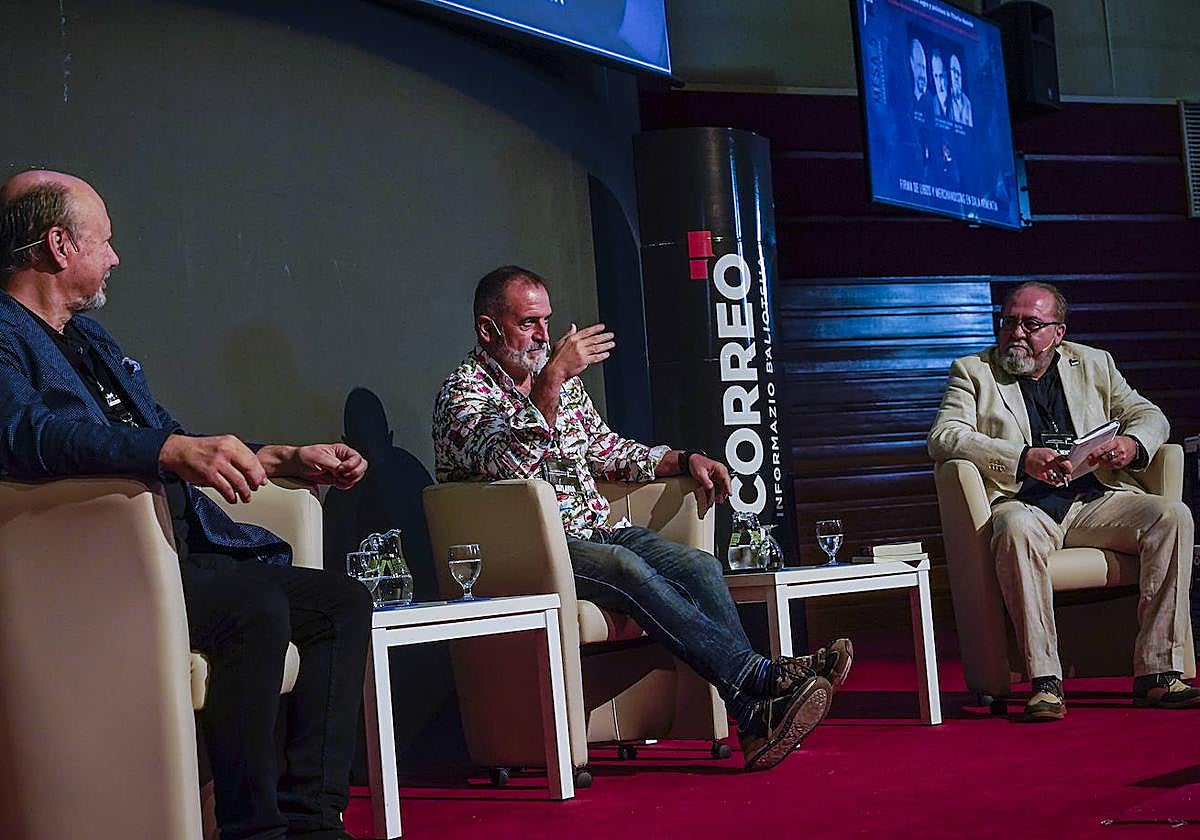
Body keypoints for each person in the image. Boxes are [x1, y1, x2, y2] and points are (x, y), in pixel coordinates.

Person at [0, 170, 371, 840]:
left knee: (340, 604)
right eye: (104, 242)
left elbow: (174, 435)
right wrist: (165, 452)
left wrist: (284, 456)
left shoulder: (92, 342)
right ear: (58, 245)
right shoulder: (4, 333)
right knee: (255, 609)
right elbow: (27, 436)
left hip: (174, 552)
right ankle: (252, 829)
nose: (115, 257)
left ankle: (313, 822)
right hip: (96, 569)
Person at [432, 265, 853, 771]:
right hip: (528, 550)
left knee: (698, 566)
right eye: (528, 324)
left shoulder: (557, 386)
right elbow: (511, 463)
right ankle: (761, 684)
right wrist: (551, 381)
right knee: (625, 566)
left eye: (547, 321)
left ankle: (754, 711)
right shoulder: (462, 396)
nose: (544, 335)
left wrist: (682, 458)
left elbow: (605, 449)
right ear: (487, 329)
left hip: (592, 529)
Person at [928, 281, 1198, 722]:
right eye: (1009, 321)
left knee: (1172, 516)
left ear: (1058, 332)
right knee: (1014, 528)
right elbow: (944, 436)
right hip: (1027, 505)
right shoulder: (973, 371)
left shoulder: (1093, 363)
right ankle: (1045, 681)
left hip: (1092, 500)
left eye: (1030, 324)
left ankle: (1158, 672)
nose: (1016, 332)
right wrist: (1020, 459)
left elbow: (1150, 415)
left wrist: (1132, 444)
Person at [949, 53, 973, 128]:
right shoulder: (946, 99)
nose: (956, 76)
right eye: (953, 71)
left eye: (958, 73)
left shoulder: (967, 103)